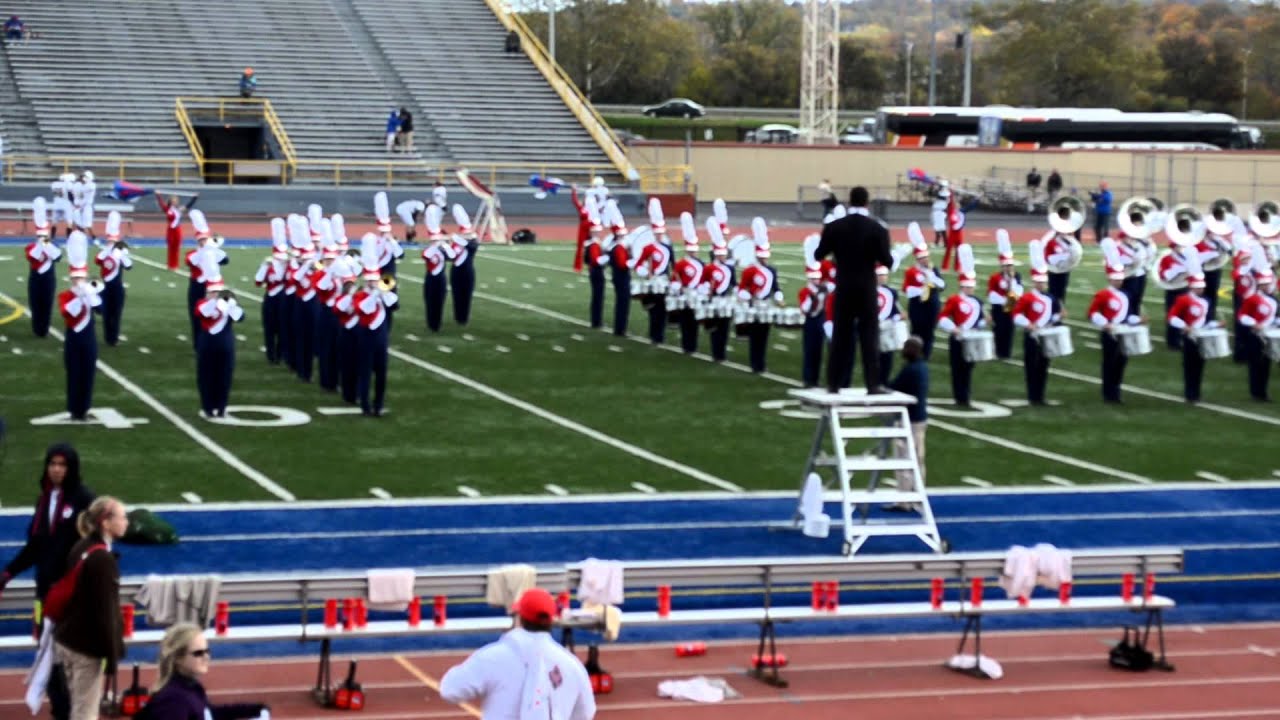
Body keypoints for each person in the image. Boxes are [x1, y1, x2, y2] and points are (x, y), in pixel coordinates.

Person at [1, 444, 95, 720]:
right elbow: (36, 545)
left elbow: (91, 546)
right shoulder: (44, 500)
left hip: (71, 595)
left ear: (72, 468)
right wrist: (7, 574)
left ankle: (72, 709)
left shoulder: (83, 500)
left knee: (70, 656)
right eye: (52, 464)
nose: (56, 469)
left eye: (62, 464)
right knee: (46, 652)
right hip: (45, 593)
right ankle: (60, 709)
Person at [441, 588, 596, 720]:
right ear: (552, 620)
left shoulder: (492, 657)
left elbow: (450, 690)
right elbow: (586, 712)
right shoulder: (572, 665)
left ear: (519, 618)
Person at [54, 496, 129, 720]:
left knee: (78, 706)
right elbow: (105, 612)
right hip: (85, 647)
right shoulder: (102, 560)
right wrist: (112, 657)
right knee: (85, 713)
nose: (126, 522)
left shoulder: (81, 546)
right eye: (122, 517)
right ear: (106, 522)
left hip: (68, 638)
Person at [814, 187, 893, 393]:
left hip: (844, 286)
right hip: (867, 288)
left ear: (850, 202)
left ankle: (833, 383)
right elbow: (887, 260)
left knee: (841, 336)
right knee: (869, 337)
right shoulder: (878, 229)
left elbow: (819, 254)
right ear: (867, 203)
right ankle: (873, 384)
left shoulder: (835, 227)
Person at [138, 623, 268, 720]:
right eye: (198, 653)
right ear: (178, 658)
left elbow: (209, 713)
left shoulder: (191, 687)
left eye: (207, 651)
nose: (206, 657)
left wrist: (253, 710)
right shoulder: (173, 701)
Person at [1089, 243, 1143, 404]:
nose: (1119, 282)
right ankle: (1108, 392)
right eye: (1116, 279)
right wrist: (1105, 324)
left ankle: (1116, 391)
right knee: (1109, 362)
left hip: (1123, 331)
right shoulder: (1103, 294)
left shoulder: (1127, 294)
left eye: (1120, 279)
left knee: (1121, 361)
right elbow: (1093, 312)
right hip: (1109, 332)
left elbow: (1129, 315)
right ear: (1109, 278)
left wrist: (1138, 320)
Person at [1012, 242, 1062, 406]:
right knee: (1031, 366)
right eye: (1039, 282)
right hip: (1032, 336)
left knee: (1043, 366)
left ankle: (1040, 395)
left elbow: (1054, 317)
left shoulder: (1051, 298)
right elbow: (1016, 315)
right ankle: (1032, 395)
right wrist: (1028, 324)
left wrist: (1059, 316)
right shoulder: (1027, 298)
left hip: (1046, 336)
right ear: (1034, 282)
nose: (1042, 285)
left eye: (1044, 282)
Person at [194, 254, 243, 419]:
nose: (216, 294)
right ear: (207, 293)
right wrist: (216, 301)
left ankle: (221, 406)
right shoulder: (202, 303)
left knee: (225, 376)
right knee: (206, 376)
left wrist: (232, 305)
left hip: (225, 345)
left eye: (218, 292)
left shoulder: (228, 304)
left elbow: (240, 317)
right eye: (213, 292)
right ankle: (208, 406)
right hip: (207, 344)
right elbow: (203, 313)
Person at [937, 244, 985, 407]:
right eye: (968, 287)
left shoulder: (978, 302)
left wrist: (986, 321)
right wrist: (953, 328)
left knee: (969, 368)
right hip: (958, 338)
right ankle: (960, 396)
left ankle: (966, 395)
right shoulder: (954, 300)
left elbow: (980, 320)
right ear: (962, 286)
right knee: (958, 369)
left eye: (972, 287)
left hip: (971, 338)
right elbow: (942, 317)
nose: (971, 289)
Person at [60, 232, 101, 420]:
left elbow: (100, 309)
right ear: (71, 279)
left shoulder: (89, 292)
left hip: (89, 339)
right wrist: (81, 295)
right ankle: (73, 409)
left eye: (81, 278)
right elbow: (69, 313)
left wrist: (90, 293)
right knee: (74, 373)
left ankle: (84, 408)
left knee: (88, 373)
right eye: (76, 279)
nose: (79, 282)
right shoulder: (65, 296)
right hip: (73, 340)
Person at [887, 336, 928, 511]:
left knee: (904, 459)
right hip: (920, 418)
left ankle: (904, 500)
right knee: (918, 459)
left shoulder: (910, 370)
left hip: (909, 420)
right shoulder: (922, 367)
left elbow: (894, 387)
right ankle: (918, 496)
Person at [736, 218, 782, 373]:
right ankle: (755, 363)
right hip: (754, 306)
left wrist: (779, 299)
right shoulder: (749, 270)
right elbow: (742, 288)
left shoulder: (772, 270)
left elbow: (776, 288)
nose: (764, 258)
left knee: (764, 336)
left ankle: (761, 363)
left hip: (766, 306)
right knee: (755, 336)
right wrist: (749, 296)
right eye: (762, 256)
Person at [1167, 258, 1215, 404]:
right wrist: (1184, 327)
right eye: (1198, 287)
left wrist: (1216, 325)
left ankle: (1197, 393)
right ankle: (1189, 393)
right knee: (1189, 366)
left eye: (1201, 287)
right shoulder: (1183, 299)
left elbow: (1206, 321)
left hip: (1202, 336)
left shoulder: (1206, 301)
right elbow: (1172, 317)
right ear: (1192, 287)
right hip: (1189, 336)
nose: (1201, 290)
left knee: (1200, 366)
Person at [902, 223, 945, 360]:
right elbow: (908, 290)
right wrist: (922, 288)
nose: (925, 260)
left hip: (932, 304)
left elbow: (942, 285)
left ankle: (926, 353)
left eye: (926, 257)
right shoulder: (911, 271)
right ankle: (914, 353)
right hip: (917, 305)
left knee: (929, 330)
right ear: (917, 259)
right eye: (922, 258)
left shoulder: (934, 270)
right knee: (916, 329)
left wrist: (930, 277)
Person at [633, 198, 672, 345]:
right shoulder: (648, 248)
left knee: (663, 310)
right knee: (653, 309)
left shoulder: (668, 248)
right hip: (652, 282)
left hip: (663, 281)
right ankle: (654, 334)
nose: (659, 236)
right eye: (657, 234)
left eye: (661, 233)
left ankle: (660, 335)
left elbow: (672, 265)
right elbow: (638, 264)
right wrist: (644, 272)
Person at [1238, 268, 1277, 402]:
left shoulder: (1273, 299)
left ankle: (1263, 392)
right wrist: (1254, 323)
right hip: (1255, 335)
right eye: (1264, 284)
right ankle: (1255, 392)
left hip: (1268, 335)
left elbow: (1275, 317)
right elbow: (1242, 315)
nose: (1267, 286)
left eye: (1268, 284)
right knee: (1255, 364)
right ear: (1259, 285)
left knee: (1266, 364)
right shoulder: (1252, 299)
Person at [255, 218, 289, 365]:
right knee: (269, 327)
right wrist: (263, 266)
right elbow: (257, 281)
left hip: (283, 299)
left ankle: (280, 353)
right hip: (270, 298)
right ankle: (270, 354)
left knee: (282, 327)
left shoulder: (289, 266)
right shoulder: (269, 266)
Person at [700, 221, 735, 362]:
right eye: (720, 254)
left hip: (725, 300)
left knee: (725, 327)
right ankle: (716, 353)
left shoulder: (730, 268)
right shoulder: (708, 268)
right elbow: (702, 282)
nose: (722, 256)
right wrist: (706, 291)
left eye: (723, 254)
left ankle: (722, 353)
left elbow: (734, 284)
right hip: (714, 299)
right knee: (714, 327)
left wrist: (737, 295)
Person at [25, 197, 60, 338]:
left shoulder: (51, 246)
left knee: (47, 303)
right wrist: (41, 244)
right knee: (35, 303)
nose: (42, 237)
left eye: (44, 236)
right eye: (40, 235)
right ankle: (36, 328)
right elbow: (32, 257)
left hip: (48, 277)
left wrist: (46, 244)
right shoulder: (31, 247)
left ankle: (44, 329)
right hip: (35, 277)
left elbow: (57, 256)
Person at [671, 212, 705, 354]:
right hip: (684, 295)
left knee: (694, 322)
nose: (693, 253)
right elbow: (674, 279)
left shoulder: (701, 264)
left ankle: (693, 345)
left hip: (696, 295)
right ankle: (686, 345)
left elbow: (704, 280)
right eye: (691, 251)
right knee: (685, 321)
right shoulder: (680, 264)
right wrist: (679, 288)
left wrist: (702, 290)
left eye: (694, 251)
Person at [986, 229, 1022, 359]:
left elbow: (1018, 291)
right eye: (1006, 266)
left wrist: (1012, 282)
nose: (1008, 268)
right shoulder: (995, 278)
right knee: (999, 329)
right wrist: (1005, 300)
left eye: (1010, 265)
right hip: (999, 308)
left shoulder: (1016, 276)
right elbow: (992, 295)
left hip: (1011, 307)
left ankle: (1006, 351)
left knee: (1009, 330)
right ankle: (997, 350)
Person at [603, 200, 631, 337]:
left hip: (617, 276)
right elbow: (622, 264)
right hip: (621, 276)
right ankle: (620, 329)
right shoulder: (619, 248)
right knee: (623, 303)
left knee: (621, 302)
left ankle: (619, 328)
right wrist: (633, 262)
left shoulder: (614, 246)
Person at [421, 205, 450, 332]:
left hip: (441, 278)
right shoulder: (430, 250)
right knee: (429, 301)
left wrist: (444, 243)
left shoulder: (443, 250)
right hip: (430, 278)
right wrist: (435, 244)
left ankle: (437, 324)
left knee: (440, 301)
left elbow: (453, 256)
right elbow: (425, 255)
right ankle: (430, 323)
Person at [449, 204, 480, 326]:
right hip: (456, 271)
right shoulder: (456, 244)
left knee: (466, 295)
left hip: (468, 272)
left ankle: (464, 318)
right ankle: (458, 317)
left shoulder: (471, 244)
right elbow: (451, 255)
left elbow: (472, 245)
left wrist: (458, 238)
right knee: (456, 294)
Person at [157, 194, 198, 271]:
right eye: (173, 201)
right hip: (170, 231)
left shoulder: (179, 209)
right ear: (171, 201)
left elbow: (188, 206)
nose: (175, 202)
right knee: (171, 248)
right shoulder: (167, 209)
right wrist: (158, 195)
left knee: (176, 248)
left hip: (177, 230)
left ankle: (175, 265)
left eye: (176, 201)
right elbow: (161, 204)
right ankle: (170, 265)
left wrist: (194, 198)